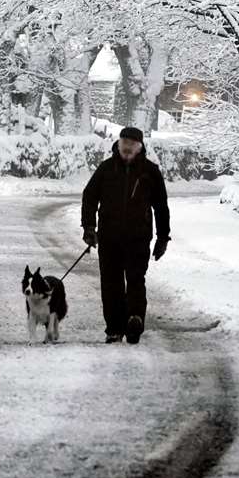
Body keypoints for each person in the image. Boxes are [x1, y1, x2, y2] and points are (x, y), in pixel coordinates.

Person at [81, 125, 170, 344]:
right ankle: (114, 328)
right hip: (109, 238)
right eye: (124, 144)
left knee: (136, 280)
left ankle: (134, 320)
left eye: (132, 145)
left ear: (139, 147)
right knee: (111, 284)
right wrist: (89, 228)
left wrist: (162, 237)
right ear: (118, 144)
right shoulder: (106, 168)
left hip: (138, 238)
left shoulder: (150, 171)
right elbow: (89, 196)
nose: (127, 148)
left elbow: (161, 206)